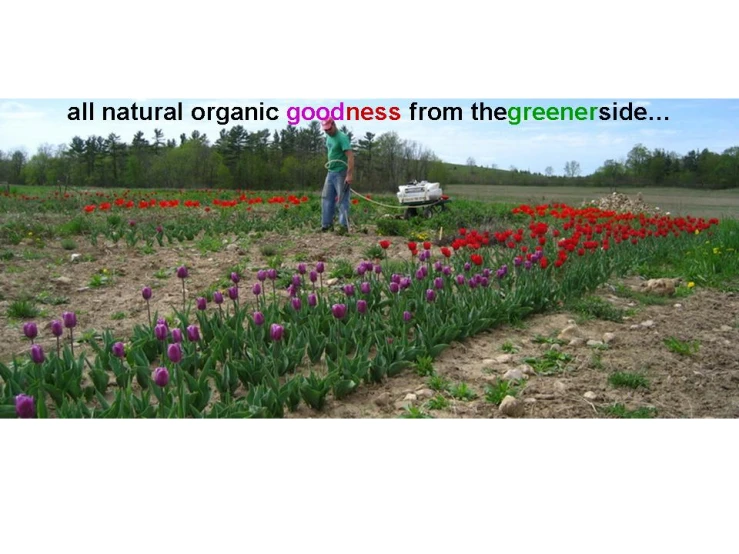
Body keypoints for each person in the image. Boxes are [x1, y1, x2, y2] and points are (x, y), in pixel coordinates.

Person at [320, 118, 354, 233]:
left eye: (329, 129)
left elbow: (350, 156)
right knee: (326, 198)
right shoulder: (328, 136)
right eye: (325, 130)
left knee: (343, 200)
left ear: (334, 125)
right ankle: (326, 225)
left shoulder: (342, 138)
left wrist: (349, 175)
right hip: (330, 172)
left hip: (341, 172)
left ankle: (344, 227)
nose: (328, 131)